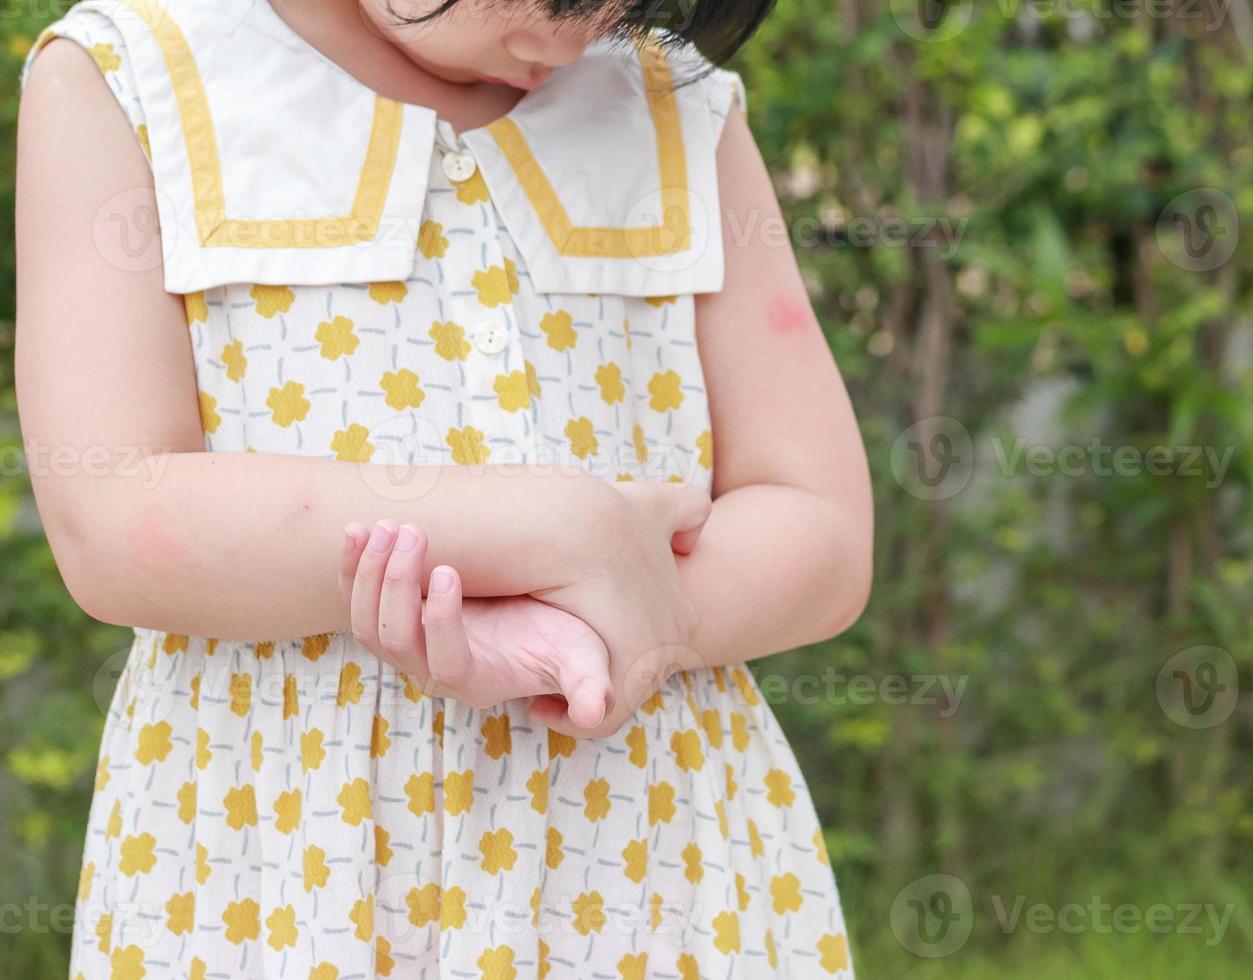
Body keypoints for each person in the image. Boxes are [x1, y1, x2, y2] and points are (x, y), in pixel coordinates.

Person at [15, 0, 872, 973]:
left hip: (645, 862)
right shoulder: (131, 79)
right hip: (280, 870)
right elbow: (116, 513)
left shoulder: (675, 110)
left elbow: (823, 524)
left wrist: (622, 611)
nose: (574, 41)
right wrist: (547, 528)